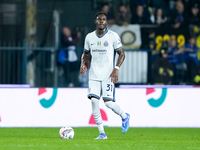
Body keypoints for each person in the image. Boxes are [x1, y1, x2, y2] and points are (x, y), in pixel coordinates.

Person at [80, 12, 130, 139]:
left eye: (104, 19)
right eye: (99, 19)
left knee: (108, 103)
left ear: (106, 22)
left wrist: (116, 69)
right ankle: (102, 133)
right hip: (94, 75)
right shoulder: (89, 37)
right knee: (94, 102)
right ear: (95, 21)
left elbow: (122, 53)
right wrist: (83, 64)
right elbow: (85, 53)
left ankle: (124, 116)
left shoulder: (113, 36)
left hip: (108, 75)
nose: (101, 21)